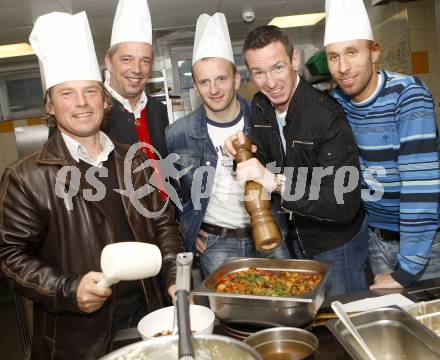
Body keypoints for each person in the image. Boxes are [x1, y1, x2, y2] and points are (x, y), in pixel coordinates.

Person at [0, 12, 183, 359]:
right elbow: (9, 256)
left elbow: (163, 222)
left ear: (104, 100)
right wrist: (68, 290)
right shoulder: (26, 177)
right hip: (78, 335)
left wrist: (174, 276)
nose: (81, 103)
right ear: (50, 106)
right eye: (67, 94)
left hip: (149, 315)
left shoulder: (136, 160)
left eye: (89, 92)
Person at [226, 25, 368, 296]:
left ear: (295, 60)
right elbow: (262, 164)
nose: (270, 82)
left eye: (278, 67)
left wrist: (275, 182)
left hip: (336, 246)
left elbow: (343, 202)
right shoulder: (260, 106)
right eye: (259, 73)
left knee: (343, 319)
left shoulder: (327, 116)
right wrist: (241, 152)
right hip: (296, 240)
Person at [324, 0, 440, 289]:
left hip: (425, 245)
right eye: (333, 56)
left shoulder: (408, 96)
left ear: (374, 51)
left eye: (352, 52)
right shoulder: (337, 103)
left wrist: (408, 269)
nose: (344, 67)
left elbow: (420, 185)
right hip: (375, 238)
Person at [166, 13, 289, 277]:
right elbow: (175, 197)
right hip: (217, 244)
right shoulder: (178, 134)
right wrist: (189, 226)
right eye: (204, 81)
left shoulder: (266, 122)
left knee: (282, 307)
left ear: (236, 79)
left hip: (272, 232)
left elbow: (289, 175)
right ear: (196, 87)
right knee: (231, 316)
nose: (214, 89)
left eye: (221, 79)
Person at [102, 0, 169, 195]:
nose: (137, 69)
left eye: (145, 61)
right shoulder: (91, 112)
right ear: (109, 61)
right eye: (126, 59)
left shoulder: (158, 110)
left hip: (168, 218)